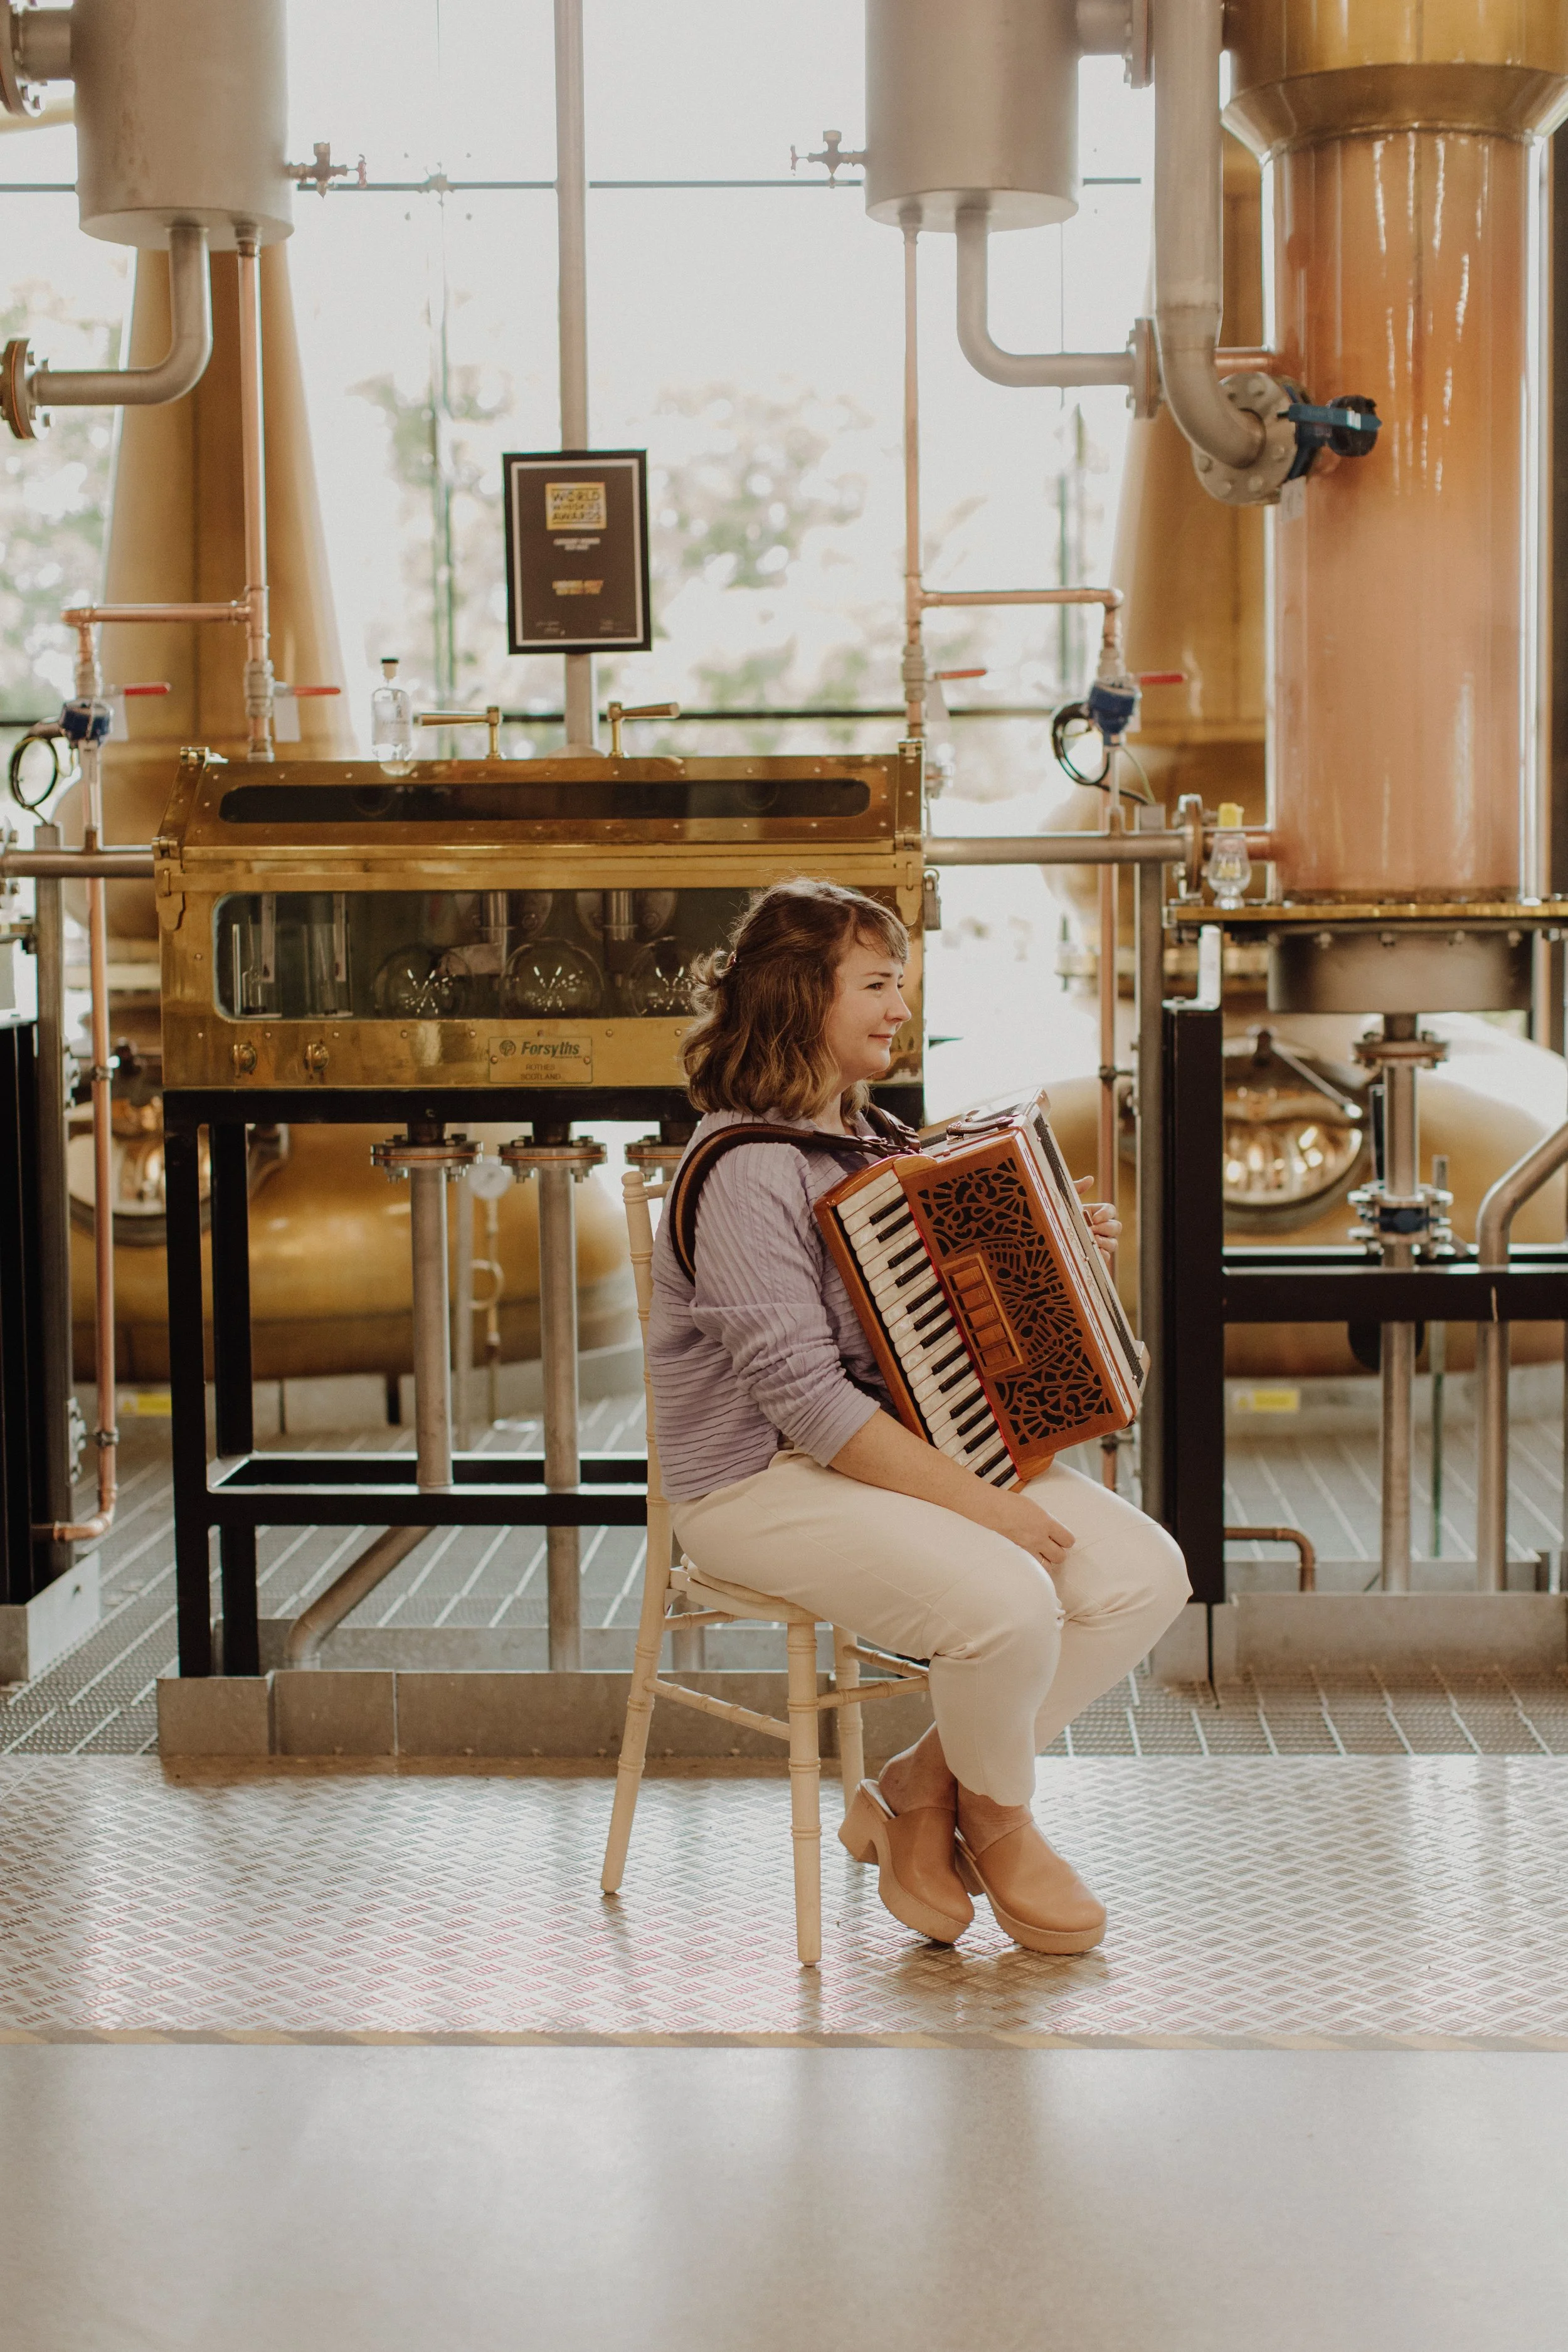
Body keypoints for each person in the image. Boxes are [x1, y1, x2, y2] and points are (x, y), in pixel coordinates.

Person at [647, 877, 1190, 1954]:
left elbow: (923, 1316)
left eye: (902, 982)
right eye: (878, 984)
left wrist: (1058, 1246)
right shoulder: (749, 1169)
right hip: (757, 1482)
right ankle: (999, 1818)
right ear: (802, 995)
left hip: (882, 1454)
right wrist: (994, 1509)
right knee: (1009, 1600)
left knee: (1144, 1575)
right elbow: (806, 1403)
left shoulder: (864, 1133)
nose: (900, 1006)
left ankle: (919, 1787)